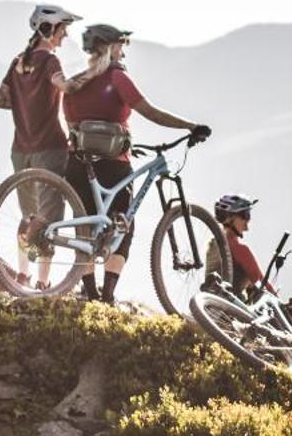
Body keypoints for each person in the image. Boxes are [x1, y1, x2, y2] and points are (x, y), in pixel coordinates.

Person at [62, 22, 211, 303]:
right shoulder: (117, 77)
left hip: (78, 163)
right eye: (120, 46)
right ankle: (107, 295)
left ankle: (89, 291)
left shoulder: (75, 82)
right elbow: (150, 112)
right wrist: (190, 126)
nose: (123, 53)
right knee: (122, 225)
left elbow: (71, 123)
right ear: (110, 47)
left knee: (83, 227)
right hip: (113, 166)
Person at [0, 3, 80, 289]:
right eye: (63, 29)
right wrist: (90, 75)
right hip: (50, 146)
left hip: (21, 147)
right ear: (48, 29)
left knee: (27, 213)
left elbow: (1, 100)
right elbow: (64, 87)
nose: (65, 36)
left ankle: (23, 274)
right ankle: (43, 283)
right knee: (48, 217)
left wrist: (26, 102)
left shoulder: (18, 61)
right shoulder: (51, 61)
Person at [214, 194, 272, 297]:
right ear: (229, 217)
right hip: (229, 307)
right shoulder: (240, 250)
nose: (246, 227)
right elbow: (262, 283)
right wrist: (284, 308)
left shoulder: (212, 245)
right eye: (246, 215)